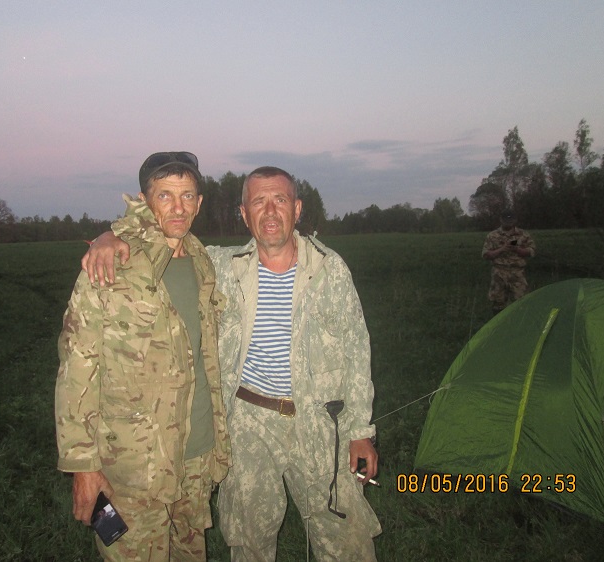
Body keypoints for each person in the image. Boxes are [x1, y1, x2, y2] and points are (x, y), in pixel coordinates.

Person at [84, 166, 381, 561]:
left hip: (318, 421)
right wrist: (110, 237)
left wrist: (360, 431)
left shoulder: (330, 269)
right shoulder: (221, 266)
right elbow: (165, 236)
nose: (270, 211)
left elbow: (357, 350)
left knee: (344, 534)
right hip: (247, 423)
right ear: (244, 213)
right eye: (259, 201)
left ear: (297, 209)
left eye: (279, 200)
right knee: (249, 536)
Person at [55, 151, 231, 562]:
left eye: (187, 196)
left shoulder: (204, 261)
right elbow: (77, 365)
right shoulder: (112, 262)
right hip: (133, 468)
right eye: (165, 195)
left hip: (196, 456)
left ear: (199, 203)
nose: (178, 207)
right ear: (144, 200)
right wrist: (82, 465)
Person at [481, 209, 536, 314]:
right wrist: (502, 249)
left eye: (511, 220)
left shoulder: (523, 235)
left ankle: (518, 322)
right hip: (499, 273)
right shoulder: (492, 235)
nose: (508, 222)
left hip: (517, 273)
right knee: (498, 304)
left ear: (515, 220)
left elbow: (531, 252)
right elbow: (486, 255)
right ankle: (499, 323)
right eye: (506, 219)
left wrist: (518, 250)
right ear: (501, 220)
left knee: (521, 303)